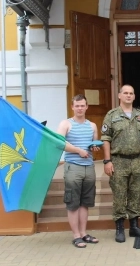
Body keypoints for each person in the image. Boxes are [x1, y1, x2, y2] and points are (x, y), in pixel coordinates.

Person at [101, 85, 140, 242]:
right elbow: (105, 139)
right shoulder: (111, 116)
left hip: (138, 160)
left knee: (136, 194)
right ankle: (119, 229)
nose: (128, 96)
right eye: (125, 93)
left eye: (131, 93)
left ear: (134, 96)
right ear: (119, 95)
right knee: (119, 195)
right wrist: (107, 161)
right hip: (118, 160)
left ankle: (134, 227)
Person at [57, 94, 100, 248]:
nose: (80, 108)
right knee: (73, 202)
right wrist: (77, 151)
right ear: (72, 107)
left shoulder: (92, 125)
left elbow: (94, 145)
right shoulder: (65, 124)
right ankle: (75, 235)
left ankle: (83, 233)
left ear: (87, 107)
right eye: (77, 105)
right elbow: (59, 143)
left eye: (83, 105)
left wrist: (95, 147)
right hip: (73, 166)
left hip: (89, 167)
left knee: (85, 202)